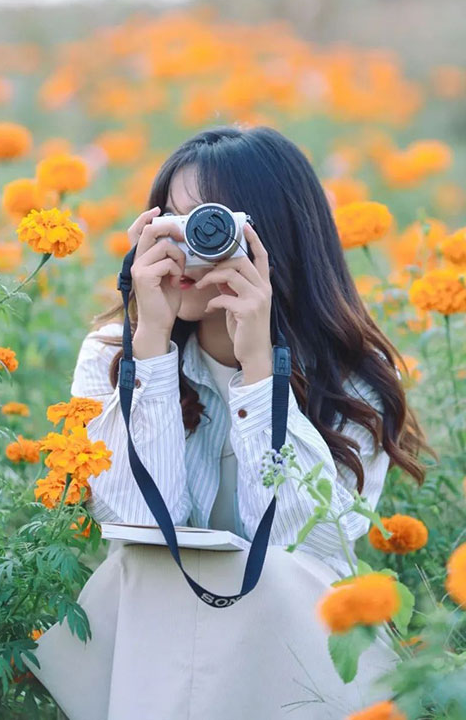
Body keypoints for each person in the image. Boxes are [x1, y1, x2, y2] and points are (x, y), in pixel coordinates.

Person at [26, 125, 436, 720]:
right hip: (154, 646)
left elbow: (306, 550)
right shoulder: (114, 353)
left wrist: (258, 372)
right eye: (169, 220)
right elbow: (137, 525)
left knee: (266, 573)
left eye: (209, 221)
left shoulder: (352, 386)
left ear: (273, 237)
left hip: (292, 660)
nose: (187, 246)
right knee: (152, 563)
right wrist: (154, 350)